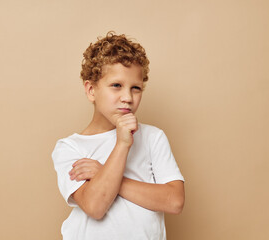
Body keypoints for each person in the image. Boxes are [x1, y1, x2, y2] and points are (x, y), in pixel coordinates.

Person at [52, 31, 185, 240]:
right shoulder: (70, 147)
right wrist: (122, 143)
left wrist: (103, 173)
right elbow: (95, 207)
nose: (127, 97)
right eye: (116, 86)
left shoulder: (153, 138)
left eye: (136, 88)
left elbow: (174, 201)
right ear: (91, 90)